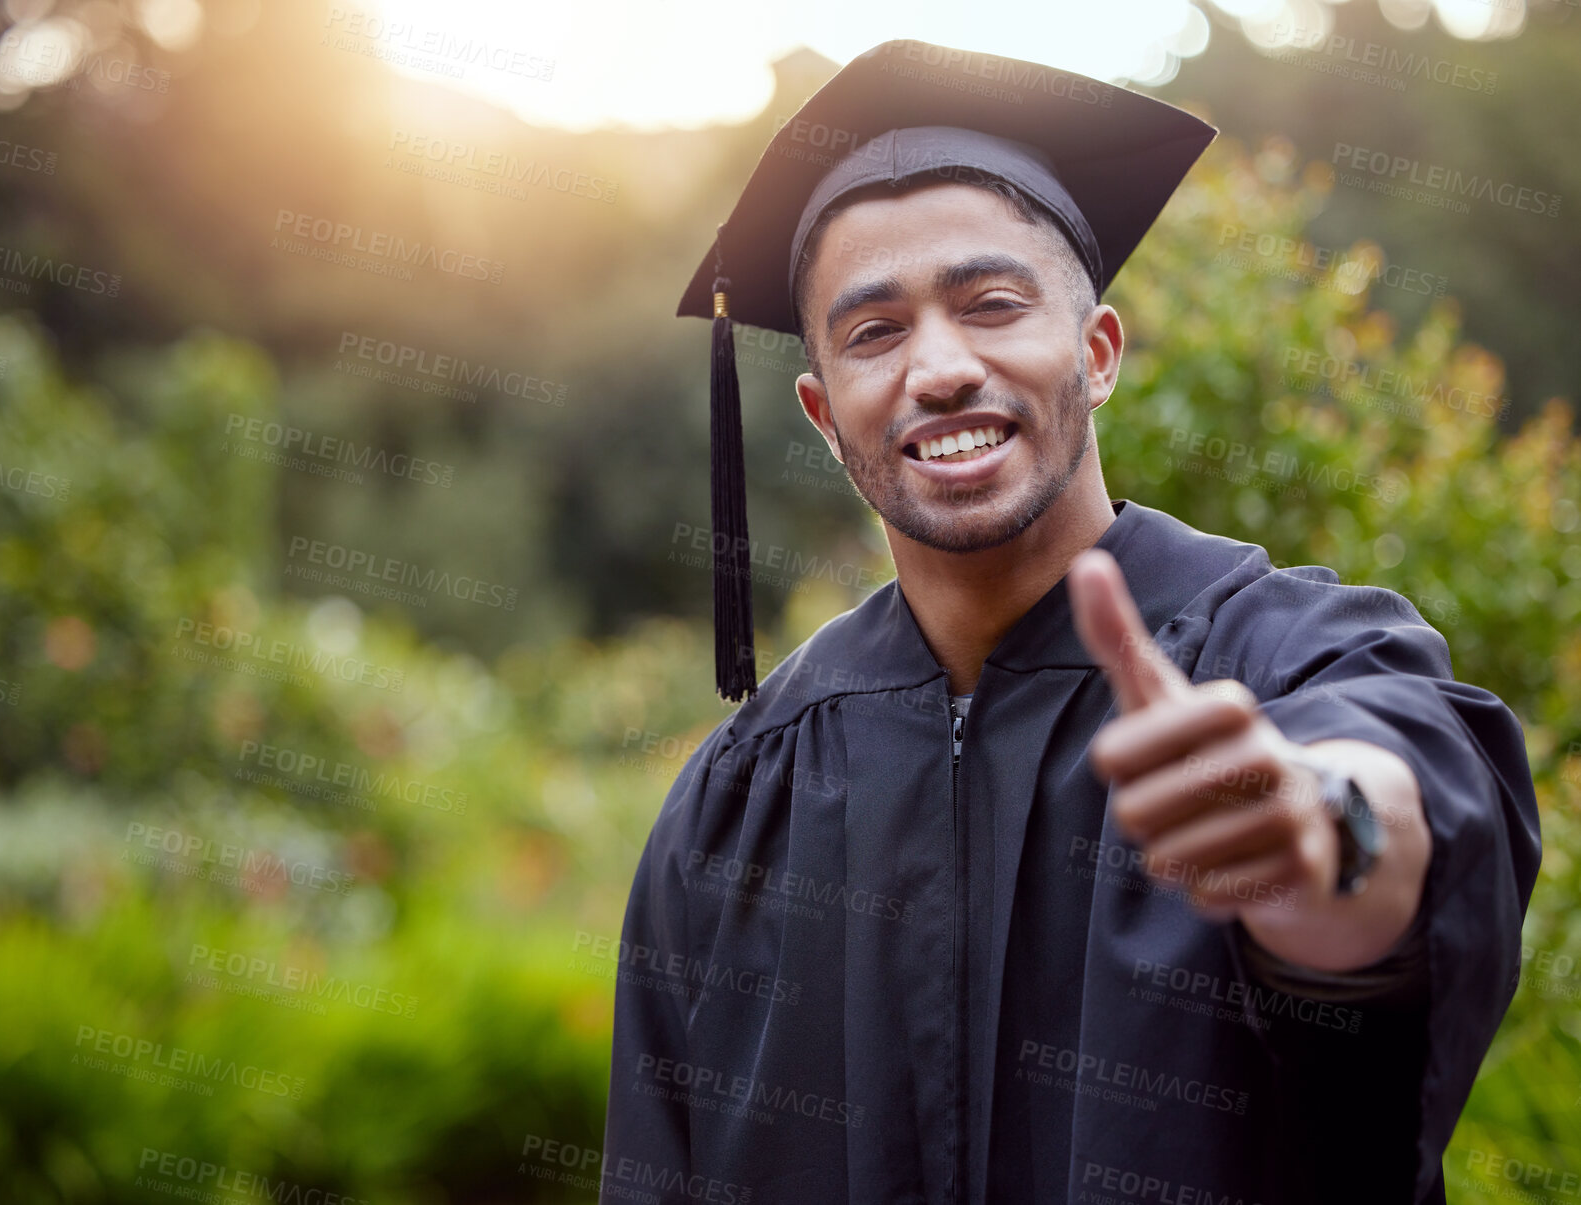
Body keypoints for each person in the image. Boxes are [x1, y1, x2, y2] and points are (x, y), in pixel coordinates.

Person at [601, 39, 1541, 1205]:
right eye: (873, 332)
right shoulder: (743, 793)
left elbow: (1400, 776)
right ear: (821, 412)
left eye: (990, 304)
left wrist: (1321, 829)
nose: (938, 368)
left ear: (1096, 353)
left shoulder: (1283, 662)